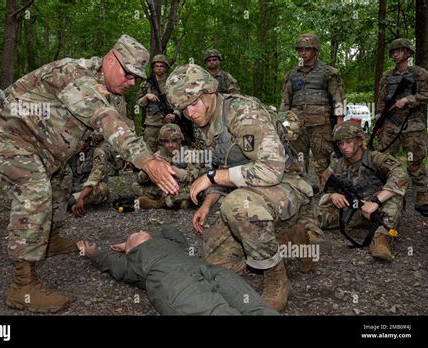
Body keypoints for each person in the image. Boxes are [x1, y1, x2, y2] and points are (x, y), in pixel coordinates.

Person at [0, 34, 180, 313]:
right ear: (110, 59)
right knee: (35, 190)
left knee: (60, 184)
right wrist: (147, 161)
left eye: (136, 78)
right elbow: (105, 120)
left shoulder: (108, 89)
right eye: (128, 73)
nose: (132, 82)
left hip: (40, 145)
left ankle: (48, 239)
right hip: (7, 133)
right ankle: (22, 285)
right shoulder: (76, 75)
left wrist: (153, 156)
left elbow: (120, 126)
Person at [165, 64, 320, 312]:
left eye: (193, 102)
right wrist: (207, 203)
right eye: (184, 108)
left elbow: (270, 169)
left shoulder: (244, 113)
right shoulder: (207, 123)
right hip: (253, 189)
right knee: (217, 260)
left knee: (237, 205)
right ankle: (288, 240)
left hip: (287, 185)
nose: (190, 112)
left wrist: (213, 177)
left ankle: (276, 278)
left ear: (209, 92)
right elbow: (224, 168)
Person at [77, 226, 278, 315]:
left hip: (205, 269)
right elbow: (110, 262)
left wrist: (149, 236)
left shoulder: (170, 243)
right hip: (174, 282)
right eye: (136, 234)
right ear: (131, 248)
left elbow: (173, 231)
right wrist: (91, 253)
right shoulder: (134, 262)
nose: (141, 230)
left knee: (253, 306)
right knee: (216, 312)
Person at [316, 121, 409, 261]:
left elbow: (401, 175)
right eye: (340, 144)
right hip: (353, 209)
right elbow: (325, 190)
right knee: (312, 215)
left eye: (348, 142)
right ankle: (306, 236)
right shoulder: (338, 164)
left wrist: (376, 201)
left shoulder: (375, 158)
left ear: (359, 141)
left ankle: (381, 240)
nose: (344, 147)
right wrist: (332, 195)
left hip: (378, 209)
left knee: (396, 198)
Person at [280, 33, 345, 188]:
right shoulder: (292, 74)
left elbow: (338, 98)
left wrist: (339, 122)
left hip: (320, 125)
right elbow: (285, 100)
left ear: (315, 50)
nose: (303, 52)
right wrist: (282, 121)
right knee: (298, 160)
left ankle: (327, 196)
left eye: (307, 49)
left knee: (322, 161)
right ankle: (302, 192)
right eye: (300, 49)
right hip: (296, 125)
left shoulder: (328, 72)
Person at [375, 38, 428, 212]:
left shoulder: (419, 74)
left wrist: (408, 99)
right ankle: (384, 192)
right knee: (384, 158)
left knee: (415, 160)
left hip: (413, 124)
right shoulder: (387, 77)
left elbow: (427, 94)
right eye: (393, 52)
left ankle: (422, 194)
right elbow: (382, 100)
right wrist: (379, 121)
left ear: (408, 53)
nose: (395, 54)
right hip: (391, 125)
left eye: (399, 51)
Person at [132, 123, 206, 209]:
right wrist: (149, 167)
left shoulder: (189, 155)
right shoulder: (158, 155)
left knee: (197, 190)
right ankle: (174, 201)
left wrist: (169, 166)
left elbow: (190, 178)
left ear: (180, 140)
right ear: (162, 142)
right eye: (166, 141)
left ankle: (160, 203)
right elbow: (141, 180)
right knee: (135, 186)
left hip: (182, 187)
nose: (170, 145)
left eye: (174, 141)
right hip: (164, 188)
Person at [137, 54, 181, 152]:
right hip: (151, 123)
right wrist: (147, 96)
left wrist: (175, 115)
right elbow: (139, 103)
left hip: (169, 123)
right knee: (149, 151)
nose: (159, 68)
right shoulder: (146, 84)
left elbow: (181, 102)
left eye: (162, 66)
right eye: (156, 66)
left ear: (166, 68)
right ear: (153, 68)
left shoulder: (173, 83)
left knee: (170, 151)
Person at [67, 132, 113, 217]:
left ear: (89, 141)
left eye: (84, 141)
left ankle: (73, 203)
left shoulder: (97, 152)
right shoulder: (71, 153)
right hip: (75, 187)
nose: (81, 143)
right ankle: (72, 205)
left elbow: (95, 178)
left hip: (92, 188)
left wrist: (81, 198)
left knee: (102, 189)